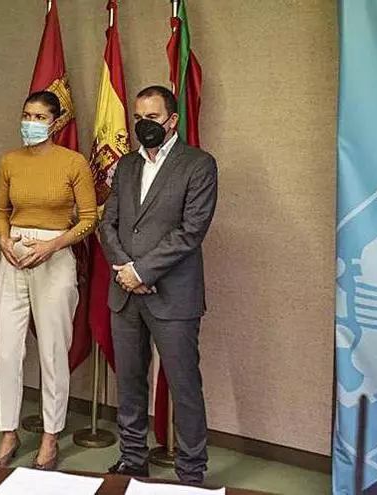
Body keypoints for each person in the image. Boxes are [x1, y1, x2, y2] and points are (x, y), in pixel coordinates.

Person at [99, 85, 218, 484]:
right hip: (124, 293)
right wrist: (125, 269)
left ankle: (191, 471)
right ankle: (132, 457)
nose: (143, 125)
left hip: (173, 295)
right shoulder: (126, 166)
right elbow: (108, 223)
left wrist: (142, 272)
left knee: (184, 385)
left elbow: (191, 230)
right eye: (138, 118)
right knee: (129, 382)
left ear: (172, 120)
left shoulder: (198, 164)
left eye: (151, 117)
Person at [0, 91, 97, 471]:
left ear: (55, 122)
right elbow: (1, 212)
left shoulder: (73, 162)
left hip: (55, 257)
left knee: (53, 351)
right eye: (26, 115)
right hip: (14, 257)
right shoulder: (10, 160)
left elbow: (89, 219)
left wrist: (53, 245)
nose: (30, 123)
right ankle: (9, 431)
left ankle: (51, 436)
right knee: (7, 349)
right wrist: (3, 238)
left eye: (39, 117)